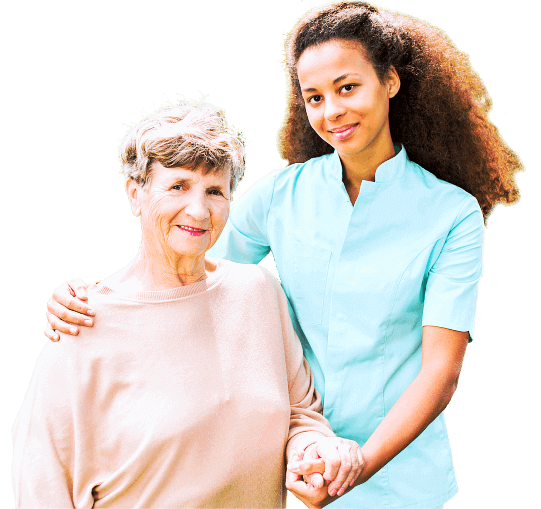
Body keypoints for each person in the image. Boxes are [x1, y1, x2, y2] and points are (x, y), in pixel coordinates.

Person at [40, 1, 525, 508]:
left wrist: (358, 465)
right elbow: (183, 271)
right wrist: (94, 299)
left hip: (399, 483)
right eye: (313, 97)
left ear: (391, 81)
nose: (331, 111)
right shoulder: (280, 194)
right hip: (285, 470)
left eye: (347, 87)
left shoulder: (452, 215)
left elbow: (441, 371)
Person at [12, 98, 365, 508]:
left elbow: (301, 414)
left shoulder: (259, 293)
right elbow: (42, 486)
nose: (198, 211)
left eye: (214, 191)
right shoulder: (80, 325)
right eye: (178, 186)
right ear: (135, 194)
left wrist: (314, 452)